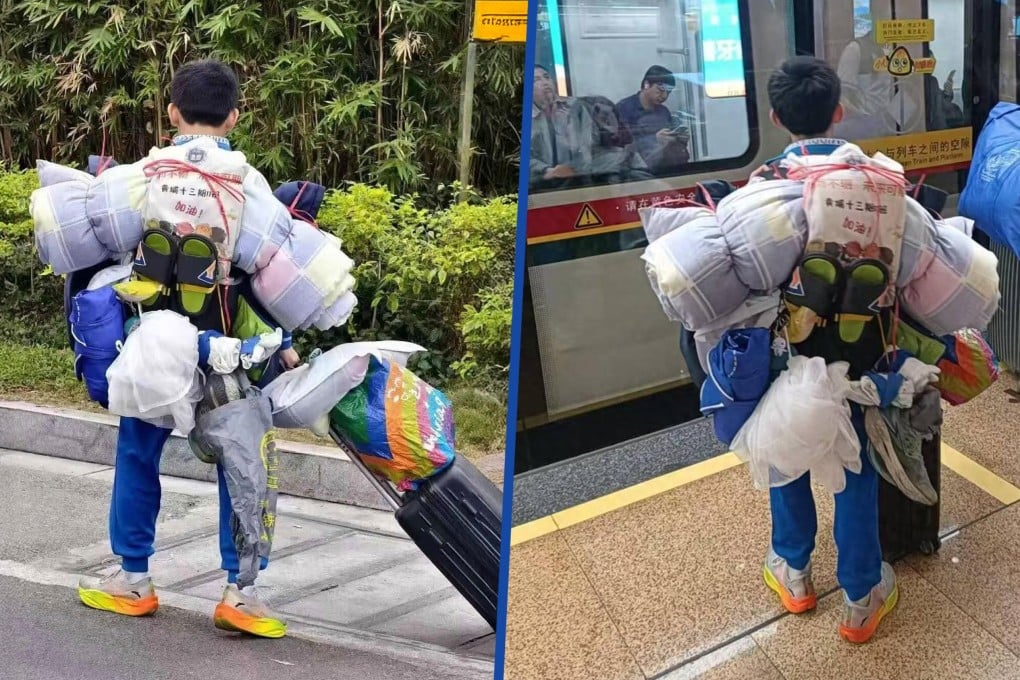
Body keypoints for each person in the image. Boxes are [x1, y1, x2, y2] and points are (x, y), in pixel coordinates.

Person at [75, 59, 297, 639]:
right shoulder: (248, 182)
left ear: (171, 112)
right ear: (233, 117)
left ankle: (134, 582)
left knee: (138, 454)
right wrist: (286, 345)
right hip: (226, 343)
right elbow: (273, 269)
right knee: (240, 462)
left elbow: (104, 243)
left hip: (153, 341)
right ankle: (239, 593)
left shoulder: (144, 173)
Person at [758, 56, 898, 644]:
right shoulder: (879, 178)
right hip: (863, 349)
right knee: (858, 465)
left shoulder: (765, 183)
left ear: (774, 117)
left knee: (785, 451)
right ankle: (863, 597)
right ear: (839, 113)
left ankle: (794, 574)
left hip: (788, 349)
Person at [615, 65, 690, 174]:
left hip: (665, 168)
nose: (664, 96)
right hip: (636, 173)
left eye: (668, 92)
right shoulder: (623, 109)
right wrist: (654, 140)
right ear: (646, 85)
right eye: (660, 90)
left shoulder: (664, 112)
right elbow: (621, 147)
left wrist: (680, 139)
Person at [529, 64, 594, 189]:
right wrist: (547, 171)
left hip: (580, 182)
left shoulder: (575, 107)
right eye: (536, 80)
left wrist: (573, 164)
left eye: (546, 77)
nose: (545, 82)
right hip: (539, 187)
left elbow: (589, 146)